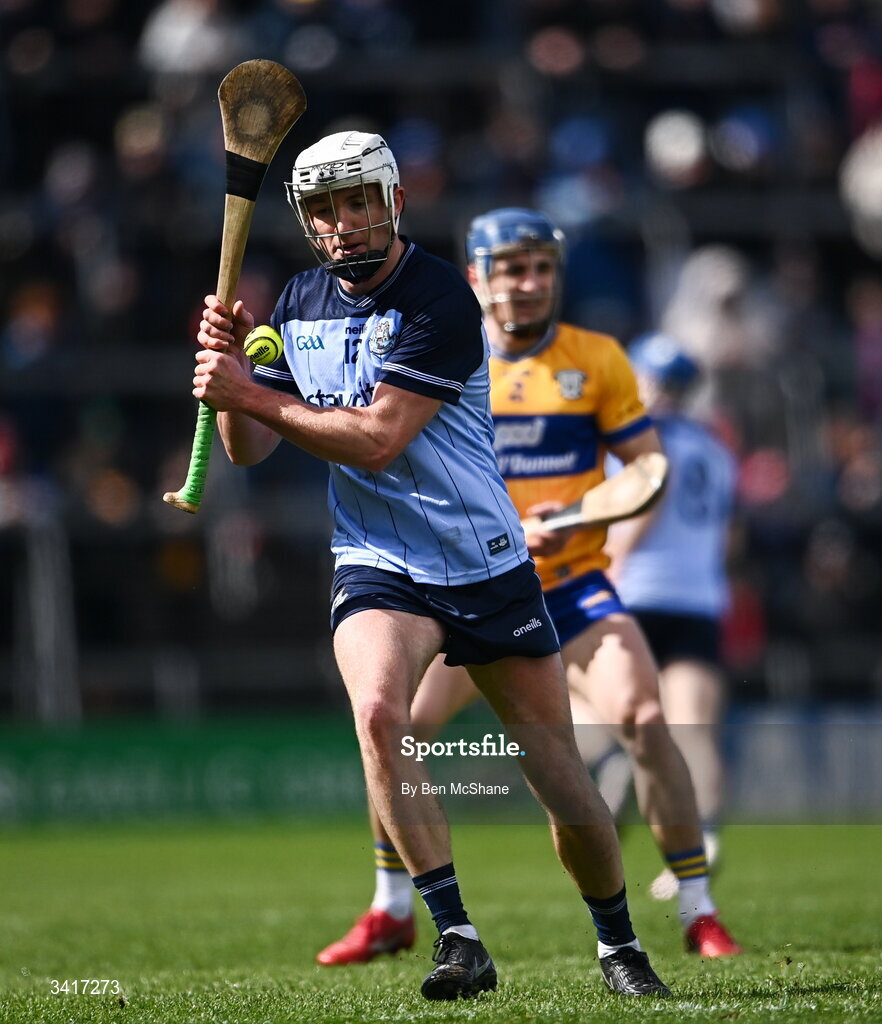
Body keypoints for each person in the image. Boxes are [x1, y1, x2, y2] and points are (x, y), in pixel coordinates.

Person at [191, 134, 669, 999]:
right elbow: (249, 449)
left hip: (483, 562)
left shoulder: (442, 296)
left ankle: (619, 944)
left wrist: (249, 391)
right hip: (376, 560)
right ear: (307, 221)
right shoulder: (298, 299)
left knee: (559, 781)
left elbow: (378, 439)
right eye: (325, 209)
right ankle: (457, 936)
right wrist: (233, 380)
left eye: (358, 202)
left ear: (394, 202)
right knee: (380, 713)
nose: (343, 222)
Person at [315, 206, 742, 969]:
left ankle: (697, 910)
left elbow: (648, 469)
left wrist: (572, 516)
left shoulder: (596, 359)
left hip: (569, 586)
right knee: (395, 724)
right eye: (512, 268)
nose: (529, 283)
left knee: (646, 717)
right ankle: (392, 907)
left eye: (543, 268)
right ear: (476, 277)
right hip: (462, 587)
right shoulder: (436, 341)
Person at [603, 331, 738, 899]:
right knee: (693, 728)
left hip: (635, 594)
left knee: (621, 719)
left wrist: (614, 559)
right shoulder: (715, 449)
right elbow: (730, 535)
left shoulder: (642, 437)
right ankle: (705, 835)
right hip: (698, 600)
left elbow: (645, 501)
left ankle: (620, 783)